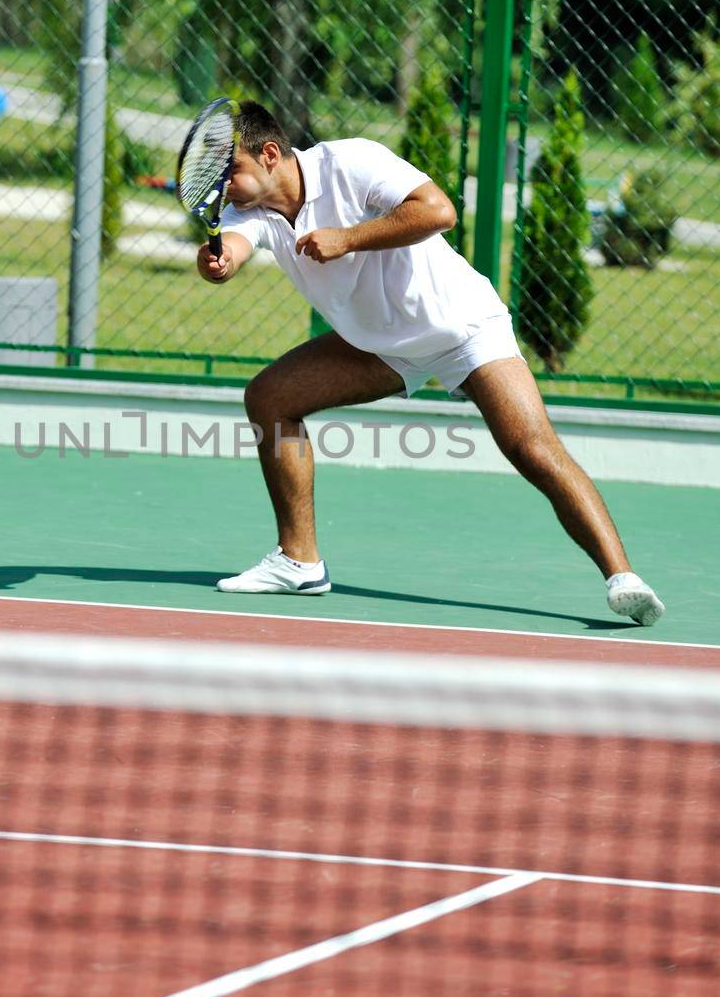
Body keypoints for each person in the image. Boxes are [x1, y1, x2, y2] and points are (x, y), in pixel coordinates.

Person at [196, 100, 665, 626]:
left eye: (230, 169)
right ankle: (299, 561)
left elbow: (439, 211)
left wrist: (346, 238)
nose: (223, 183)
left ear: (269, 154)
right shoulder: (245, 212)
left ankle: (622, 577)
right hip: (378, 347)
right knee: (270, 397)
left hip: (462, 327)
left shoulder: (350, 162)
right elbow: (234, 247)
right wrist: (220, 262)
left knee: (531, 446)